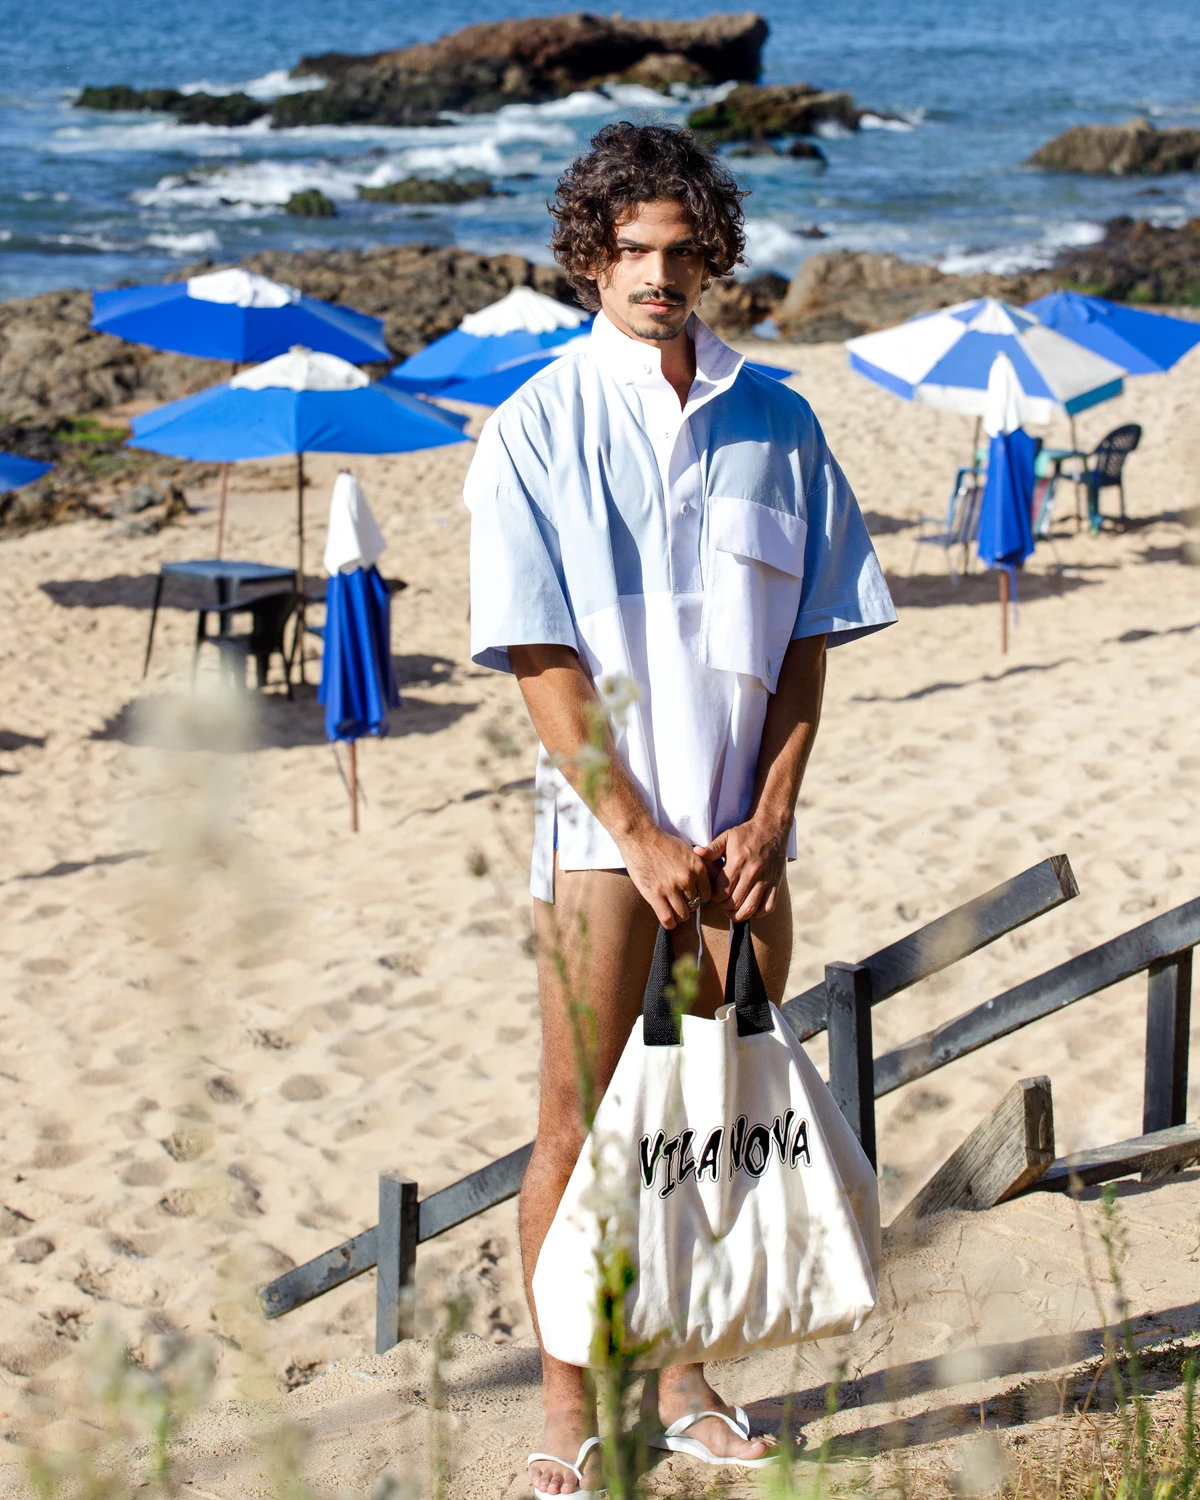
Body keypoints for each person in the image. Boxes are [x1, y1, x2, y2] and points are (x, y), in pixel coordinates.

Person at [465, 122, 896, 1496]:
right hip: (604, 841)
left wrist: (767, 822)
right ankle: (566, 1411)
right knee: (578, 1121)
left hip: (741, 847)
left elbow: (811, 642)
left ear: (713, 257)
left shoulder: (783, 421)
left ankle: (687, 1385)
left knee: (707, 1117)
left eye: (681, 250)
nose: (658, 273)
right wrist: (638, 834)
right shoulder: (535, 426)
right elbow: (541, 657)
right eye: (632, 250)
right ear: (590, 258)